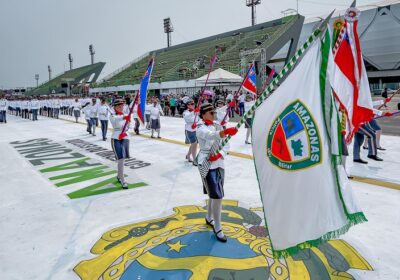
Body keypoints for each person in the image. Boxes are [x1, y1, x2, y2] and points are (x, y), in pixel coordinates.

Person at [196, 103, 238, 242]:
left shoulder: (217, 125)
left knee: (214, 194)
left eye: (214, 112)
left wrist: (220, 153)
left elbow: (226, 144)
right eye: (210, 112)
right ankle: (218, 227)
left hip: (219, 162)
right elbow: (211, 136)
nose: (213, 114)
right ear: (203, 114)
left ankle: (209, 218)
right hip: (207, 163)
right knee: (218, 196)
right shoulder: (200, 128)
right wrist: (225, 132)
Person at [109, 99, 131, 189]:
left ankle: (119, 176)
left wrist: (125, 131)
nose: (121, 107)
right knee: (120, 158)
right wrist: (124, 117)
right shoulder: (112, 115)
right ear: (115, 107)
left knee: (123, 159)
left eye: (122, 105)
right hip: (116, 137)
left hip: (125, 137)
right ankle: (122, 179)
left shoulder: (126, 115)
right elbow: (114, 122)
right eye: (119, 106)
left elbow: (128, 126)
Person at [183, 99, 198, 164]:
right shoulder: (185, 112)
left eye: (192, 104)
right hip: (189, 130)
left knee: (194, 144)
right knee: (194, 144)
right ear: (187, 106)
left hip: (196, 130)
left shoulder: (196, 112)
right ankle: (194, 160)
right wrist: (193, 112)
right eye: (189, 104)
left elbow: (198, 119)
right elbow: (187, 119)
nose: (191, 105)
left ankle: (188, 155)